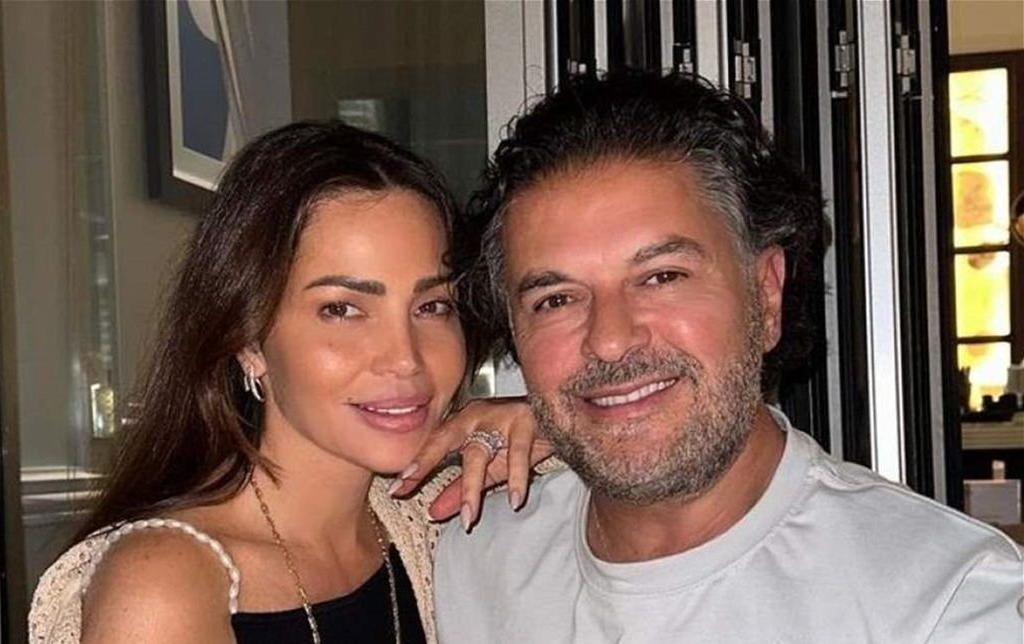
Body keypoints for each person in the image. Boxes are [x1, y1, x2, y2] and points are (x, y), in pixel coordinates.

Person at [434, 70, 1024, 643]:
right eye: (556, 299)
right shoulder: (473, 559)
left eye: (662, 276)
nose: (609, 340)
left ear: (765, 295)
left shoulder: (946, 605)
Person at [28, 121, 543, 644]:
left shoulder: (433, 518)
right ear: (248, 340)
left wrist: (549, 429)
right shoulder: (164, 586)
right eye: (342, 310)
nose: (405, 358)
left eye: (431, 306)